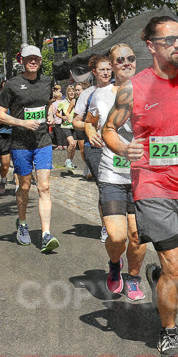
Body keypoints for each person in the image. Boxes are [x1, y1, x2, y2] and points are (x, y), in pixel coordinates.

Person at [101, 16, 178, 357]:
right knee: (174, 264)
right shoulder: (133, 88)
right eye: (169, 40)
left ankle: (156, 276)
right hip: (151, 185)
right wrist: (123, 148)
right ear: (151, 46)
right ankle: (168, 334)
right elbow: (109, 129)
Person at [87, 44, 147, 300]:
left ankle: (133, 278)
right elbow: (89, 122)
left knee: (137, 235)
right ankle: (114, 264)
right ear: (110, 65)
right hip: (112, 172)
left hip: (142, 174)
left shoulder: (148, 89)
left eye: (130, 58)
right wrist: (90, 132)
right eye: (119, 59)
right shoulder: (99, 95)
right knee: (117, 235)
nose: (126, 63)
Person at [0, 44, 59, 253]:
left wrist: (49, 113)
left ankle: (46, 233)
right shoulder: (12, 85)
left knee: (44, 186)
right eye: (29, 58)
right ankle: (22, 223)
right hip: (21, 143)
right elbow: (0, 114)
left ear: (40, 61)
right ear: (21, 61)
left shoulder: (47, 81)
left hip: (42, 141)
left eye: (37, 58)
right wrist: (22, 123)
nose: (33, 61)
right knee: (24, 187)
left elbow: (48, 102)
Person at [72, 56, 114, 243]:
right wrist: (92, 128)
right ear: (94, 72)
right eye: (102, 69)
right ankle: (106, 227)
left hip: (117, 146)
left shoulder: (119, 90)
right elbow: (75, 121)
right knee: (105, 187)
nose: (106, 72)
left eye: (108, 69)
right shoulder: (87, 93)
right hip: (95, 146)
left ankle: (119, 222)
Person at [56, 84, 80, 169]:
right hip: (66, 126)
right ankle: (69, 161)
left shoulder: (78, 101)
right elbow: (57, 112)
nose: (72, 92)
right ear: (67, 92)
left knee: (74, 146)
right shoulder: (63, 102)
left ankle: (69, 160)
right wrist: (63, 117)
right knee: (71, 143)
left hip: (75, 126)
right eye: (70, 91)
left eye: (73, 91)